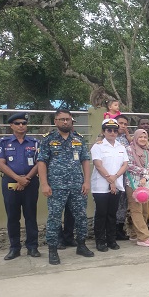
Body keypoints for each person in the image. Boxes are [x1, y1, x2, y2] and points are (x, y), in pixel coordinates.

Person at [37, 109, 94, 265]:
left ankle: (81, 245)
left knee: (81, 217)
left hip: (77, 186)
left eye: (68, 119)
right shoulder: (48, 139)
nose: (65, 122)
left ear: (71, 121)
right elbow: (41, 162)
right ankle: (53, 250)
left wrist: (86, 181)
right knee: (54, 219)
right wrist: (44, 184)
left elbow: (85, 161)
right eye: (61, 119)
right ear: (55, 121)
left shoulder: (79, 139)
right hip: (56, 187)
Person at [0, 112, 40, 260]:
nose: (21, 126)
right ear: (11, 125)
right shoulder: (4, 142)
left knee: (31, 216)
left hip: (31, 182)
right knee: (13, 216)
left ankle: (32, 247)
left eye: (24, 123)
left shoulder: (34, 142)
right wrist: (17, 179)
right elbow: (1, 163)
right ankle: (14, 248)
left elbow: (40, 163)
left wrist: (26, 179)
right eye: (18, 123)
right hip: (10, 182)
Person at [90, 119, 128, 252]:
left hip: (116, 184)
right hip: (100, 186)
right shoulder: (98, 146)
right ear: (103, 131)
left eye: (115, 130)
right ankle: (100, 241)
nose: (112, 133)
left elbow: (125, 164)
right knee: (101, 214)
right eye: (109, 130)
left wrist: (115, 178)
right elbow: (98, 165)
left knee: (112, 214)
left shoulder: (121, 146)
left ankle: (111, 240)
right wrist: (111, 180)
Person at [125, 128, 149, 247]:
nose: (143, 139)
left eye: (145, 137)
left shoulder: (147, 152)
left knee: (145, 211)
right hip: (132, 183)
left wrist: (145, 177)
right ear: (135, 138)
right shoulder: (129, 150)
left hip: (144, 185)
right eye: (140, 137)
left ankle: (134, 234)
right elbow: (128, 165)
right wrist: (144, 172)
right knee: (136, 210)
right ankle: (143, 237)